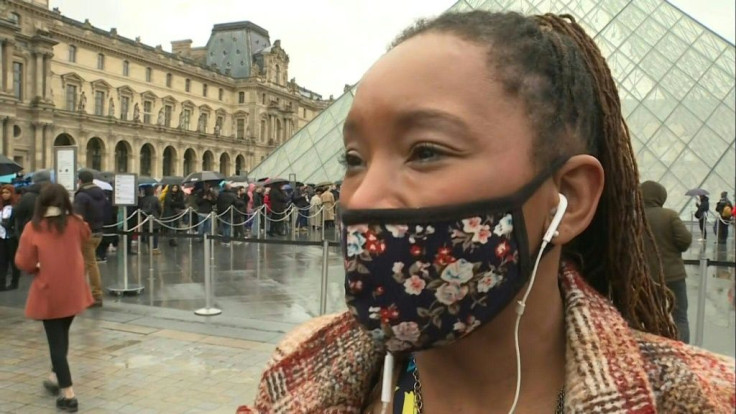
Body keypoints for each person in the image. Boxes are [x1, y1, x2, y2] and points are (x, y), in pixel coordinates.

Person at [238, 11, 734, 414]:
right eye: (353, 160)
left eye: (426, 151)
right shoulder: (293, 371)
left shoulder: (709, 400)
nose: (361, 197)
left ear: (570, 198)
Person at [15, 183, 94, 413]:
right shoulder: (75, 223)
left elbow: (24, 262)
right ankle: (53, 376)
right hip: (73, 288)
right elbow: (86, 236)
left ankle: (68, 394)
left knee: (56, 343)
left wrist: (37, 265)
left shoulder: (34, 226)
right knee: (62, 333)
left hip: (49, 289)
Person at [640, 181, 692, 343]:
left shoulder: (634, 217)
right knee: (680, 317)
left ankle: (654, 349)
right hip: (673, 275)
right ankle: (682, 350)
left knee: (650, 316)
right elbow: (684, 240)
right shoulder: (669, 215)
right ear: (660, 196)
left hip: (645, 277)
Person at [73, 171, 107, 307]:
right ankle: (81, 292)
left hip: (87, 233)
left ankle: (96, 295)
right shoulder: (101, 193)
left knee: (90, 263)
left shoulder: (81, 196)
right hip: (99, 231)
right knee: (87, 263)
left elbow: (78, 216)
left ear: (80, 180)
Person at [14, 170, 52, 240]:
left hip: (31, 236)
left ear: (34, 180)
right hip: (52, 236)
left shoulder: (27, 197)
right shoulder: (56, 194)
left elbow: (18, 218)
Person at [0, 185, 21, 290]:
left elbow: (13, 223)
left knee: (13, 261)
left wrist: (5, 223)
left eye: (7, 192)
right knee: (2, 261)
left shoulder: (15, 207)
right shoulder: (1, 206)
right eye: (3, 192)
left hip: (12, 237)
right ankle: (1, 283)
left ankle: (14, 282)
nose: (4, 195)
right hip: (1, 236)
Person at [139, 186, 162, 255]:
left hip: (146, 219)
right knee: (155, 234)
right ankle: (155, 248)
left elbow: (140, 208)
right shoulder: (155, 199)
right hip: (155, 218)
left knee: (148, 234)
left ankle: (149, 248)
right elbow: (159, 208)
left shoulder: (142, 199)